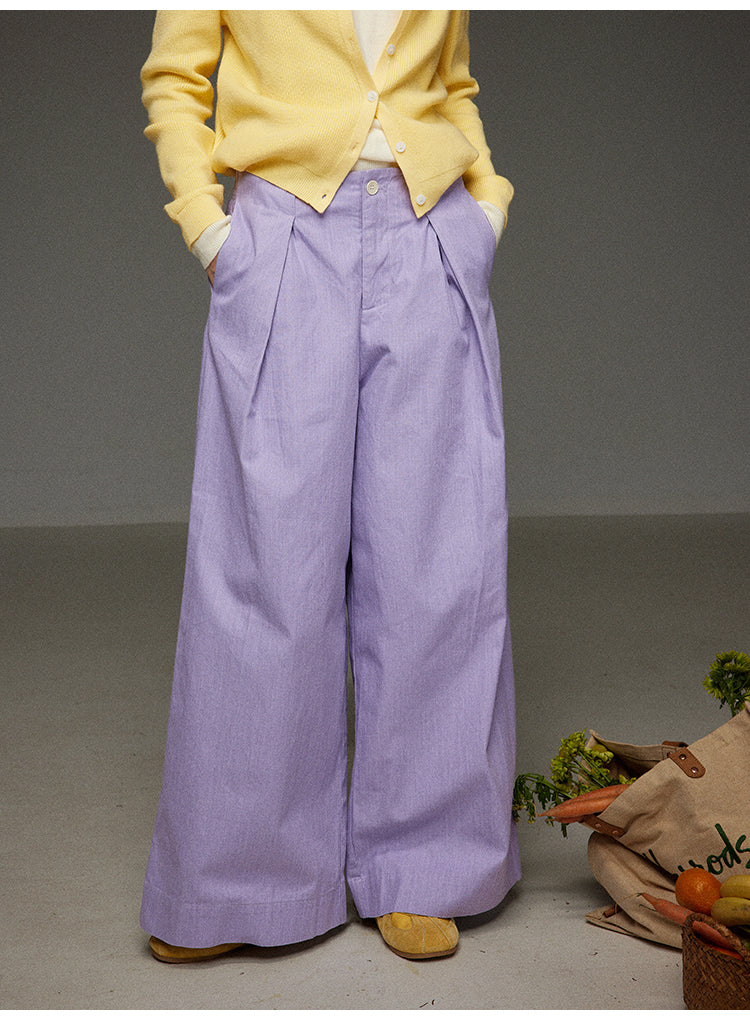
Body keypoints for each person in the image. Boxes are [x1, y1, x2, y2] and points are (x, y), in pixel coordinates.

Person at [139, 10, 520, 964]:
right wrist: (208, 229)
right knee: (266, 568)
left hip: (431, 230)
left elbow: (453, 85)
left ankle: (426, 864)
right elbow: (175, 82)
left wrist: (486, 207)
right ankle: (238, 882)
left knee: (437, 562)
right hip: (281, 232)